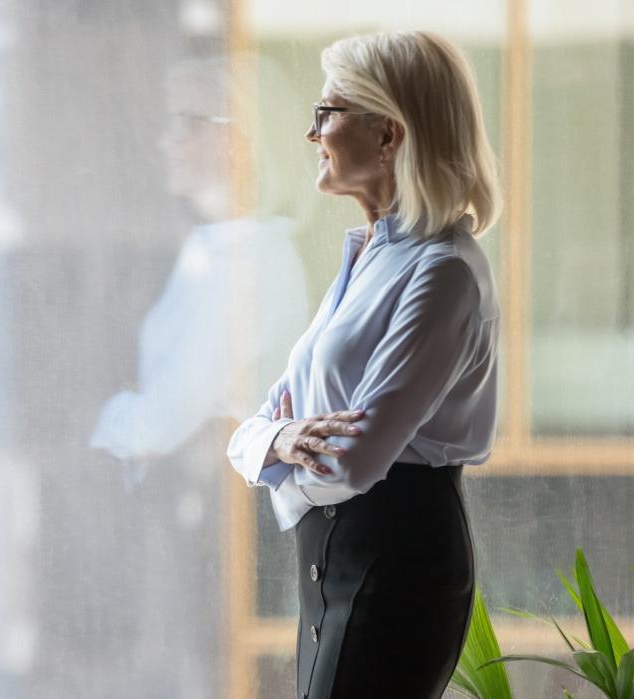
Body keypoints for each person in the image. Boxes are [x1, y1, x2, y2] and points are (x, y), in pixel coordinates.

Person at [226, 31, 502, 699]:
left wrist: (278, 450)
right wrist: (283, 438)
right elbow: (254, 430)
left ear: (388, 136)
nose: (311, 133)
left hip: (395, 560)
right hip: (330, 559)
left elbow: (354, 458)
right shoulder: (368, 256)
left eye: (329, 112)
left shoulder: (443, 271)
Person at [89, 56, 309, 698]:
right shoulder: (215, 250)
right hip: (190, 531)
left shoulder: (251, 259)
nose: (167, 140)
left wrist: (103, 425)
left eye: (189, 122)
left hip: (221, 536)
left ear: (245, 137)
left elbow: (161, 421)